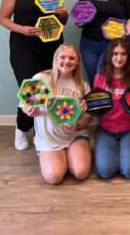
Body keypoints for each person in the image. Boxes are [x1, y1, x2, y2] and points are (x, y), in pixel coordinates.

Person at [0, 0, 69, 151]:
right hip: (23, 46)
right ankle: (22, 128)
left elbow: (61, 21)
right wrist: (23, 30)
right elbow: (2, 18)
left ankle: (40, 132)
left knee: (49, 88)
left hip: (51, 46)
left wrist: (64, 14)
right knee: (31, 88)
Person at [23, 44, 91, 184]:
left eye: (72, 58)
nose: (66, 61)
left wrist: (76, 126)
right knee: (54, 177)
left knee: (81, 173)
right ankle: (57, 158)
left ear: (77, 62)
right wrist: (30, 110)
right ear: (56, 59)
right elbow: (24, 105)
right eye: (63, 57)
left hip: (74, 136)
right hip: (49, 140)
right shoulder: (41, 78)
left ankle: (70, 155)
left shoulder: (82, 85)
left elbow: (88, 117)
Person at [92, 38, 130, 179]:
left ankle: (124, 152)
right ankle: (114, 152)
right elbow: (97, 106)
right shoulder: (99, 78)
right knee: (105, 172)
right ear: (109, 56)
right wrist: (89, 106)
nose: (119, 58)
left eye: (123, 54)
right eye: (115, 54)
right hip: (106, 130)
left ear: (128, 57)